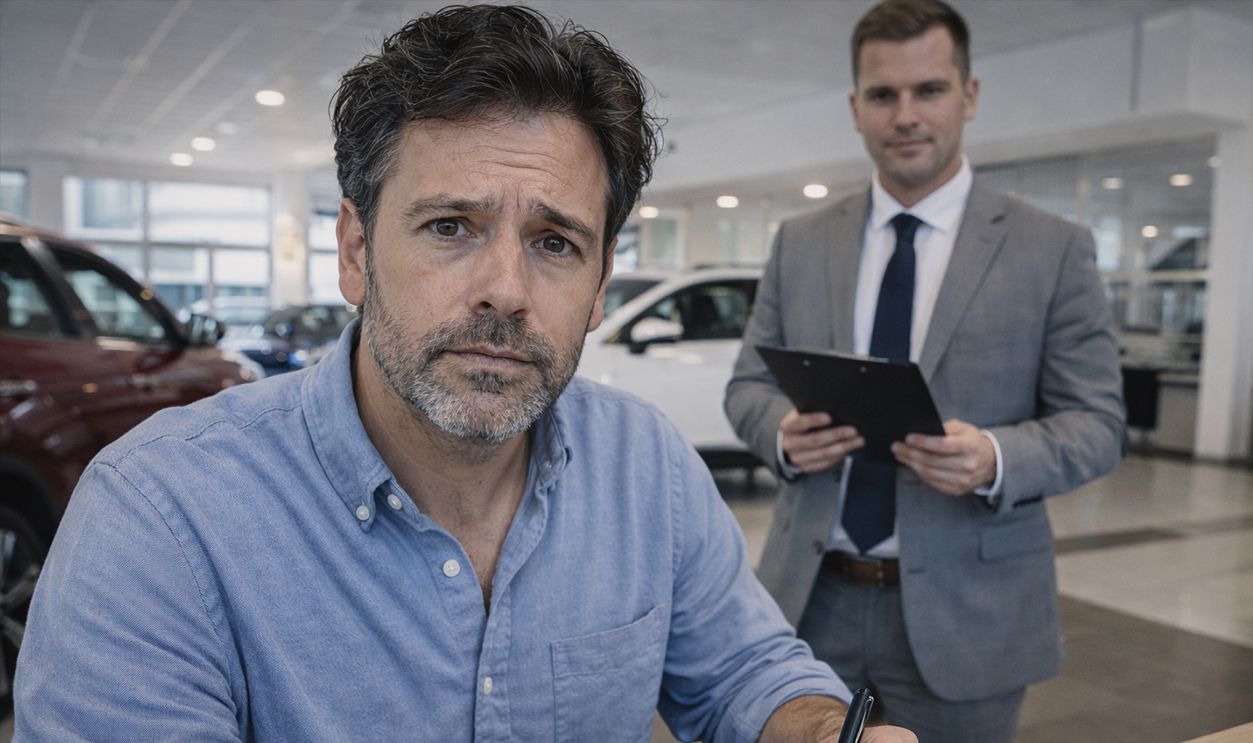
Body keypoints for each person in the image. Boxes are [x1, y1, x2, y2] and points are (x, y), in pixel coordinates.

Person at [13, 6, 916, 743]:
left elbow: (744, 671)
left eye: (554, 242)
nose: (506, 291)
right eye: (450, 226)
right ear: (356, 250)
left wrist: (819, 729)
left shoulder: (647, 465)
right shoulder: (160, 518)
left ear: (600, 284)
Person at [724, 1, 1127, 741]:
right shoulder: (801, 241)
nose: (905, 115)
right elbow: (747, 385)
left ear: (968, 95)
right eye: (883, 94)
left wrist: (996, 457)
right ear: (856, 108)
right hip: (808, 599)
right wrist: (780, 433)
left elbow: (1100, 423)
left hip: (971, 608)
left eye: (929, 90)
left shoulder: (1051, 248)